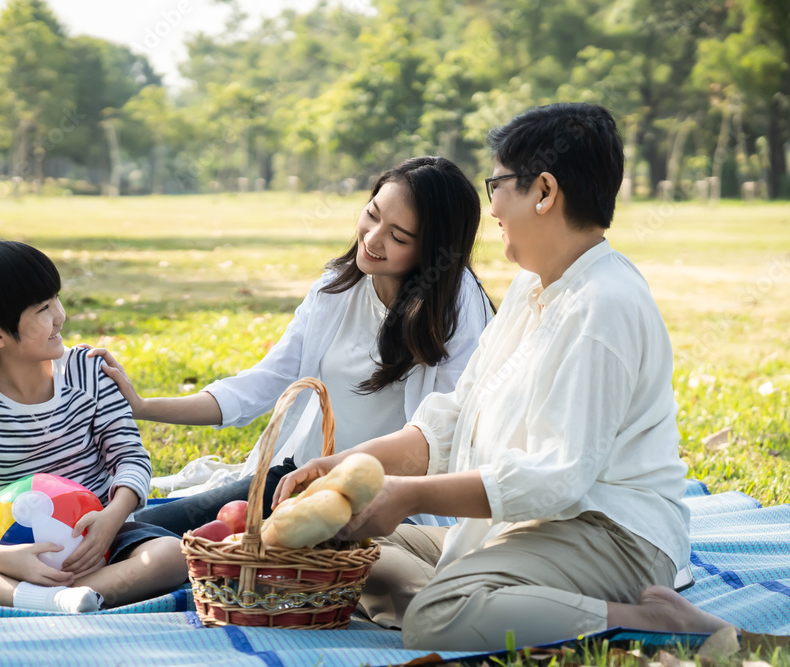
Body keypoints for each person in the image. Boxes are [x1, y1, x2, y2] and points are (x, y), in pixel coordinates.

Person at [273, 103, 732, 651]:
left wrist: (408, 494)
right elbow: (451, 418)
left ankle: (656, 621)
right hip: (524, 529)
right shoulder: (530, 287)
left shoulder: (603, 306)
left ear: (543, 191)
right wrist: (347, 465)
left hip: (609, 533)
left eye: (497, 185)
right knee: (335, 546)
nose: (491, 208)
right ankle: (487, 600)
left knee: (435, 619)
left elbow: (556, 478)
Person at [87, 156, 494, 535]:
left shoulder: (457, 313)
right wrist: (143, 407)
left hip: (381, 504)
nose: (372, 238)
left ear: (434, 250)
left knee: (197, 557)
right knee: (142, 527)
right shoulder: (338, 287)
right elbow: (265, 382)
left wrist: (342, 478)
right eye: (371, 214)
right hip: (296, 479)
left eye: (398, 236)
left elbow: (440, 439)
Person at [0, 241, 187, 613]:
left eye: (55, 298)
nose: (60, 315)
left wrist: (112, 518)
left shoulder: (89, 371)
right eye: (43, 308)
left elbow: (131, 459)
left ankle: (45, 595)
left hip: (99, 537)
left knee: (171, 554)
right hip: (12, 551)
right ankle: (45, 597)